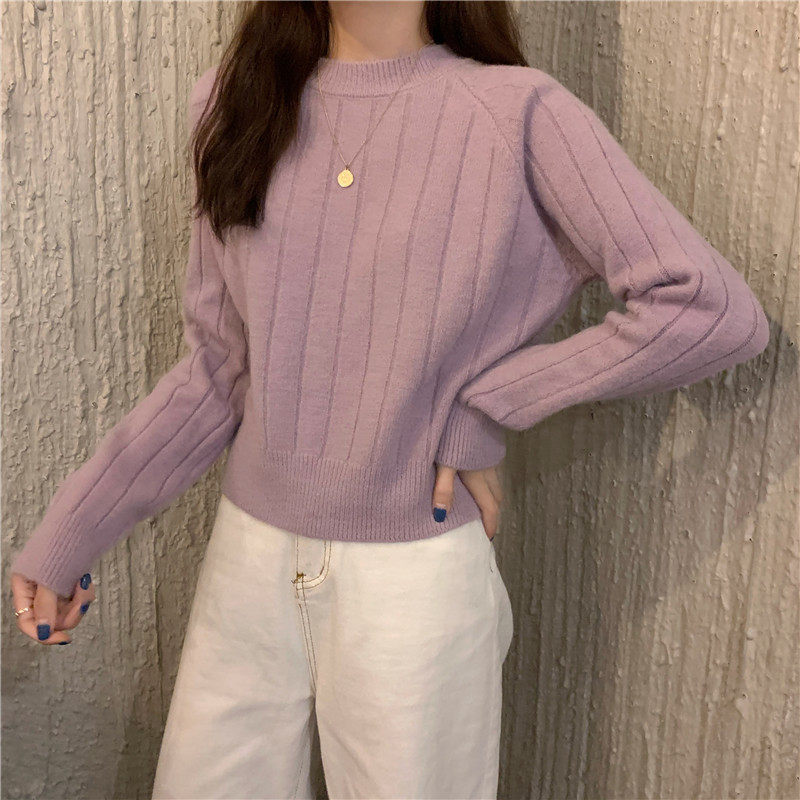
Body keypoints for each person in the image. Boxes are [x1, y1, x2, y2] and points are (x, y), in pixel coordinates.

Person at [10, 1, 770, 798]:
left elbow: (708, 310)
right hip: (247, 559)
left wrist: (488, 405)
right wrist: (73, 530)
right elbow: (217, 368)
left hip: (414, 579)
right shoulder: (236, 102)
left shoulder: (516, 115)